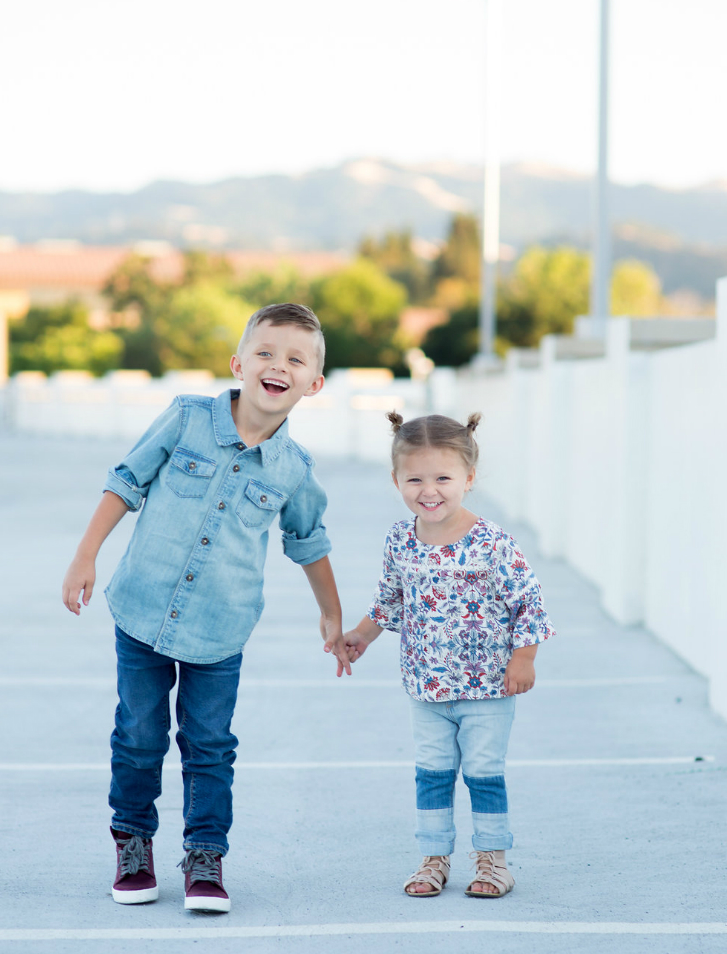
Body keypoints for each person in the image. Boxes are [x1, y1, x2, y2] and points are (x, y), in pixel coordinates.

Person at [62, 303, 350, 913]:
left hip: (221, 629)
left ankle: (204, 856)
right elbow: (125, 482)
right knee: (139, 737)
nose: (278, 367)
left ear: (314, 384)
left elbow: (310, 543)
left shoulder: (294, 470)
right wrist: (86, 555)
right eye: (266, 353)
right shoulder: (187, 419)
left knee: (210, 745)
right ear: (238, 362)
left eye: (295, 359)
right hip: (143, 610)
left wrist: (331, 613)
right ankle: (133, 843)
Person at [341, 411, 555, 899]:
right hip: (426, 686)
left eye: (443, 477)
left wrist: (523, 659)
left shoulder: (492, 542)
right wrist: (362, 634)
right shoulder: (400, 539)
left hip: (488, 687)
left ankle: (493, 861)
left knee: (483, 774)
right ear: (396, 479)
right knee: (432, 775)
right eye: (414, 478)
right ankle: (433, 858)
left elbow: (529, 601)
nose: (428, 490)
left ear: (469, 479)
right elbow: (390, 598)